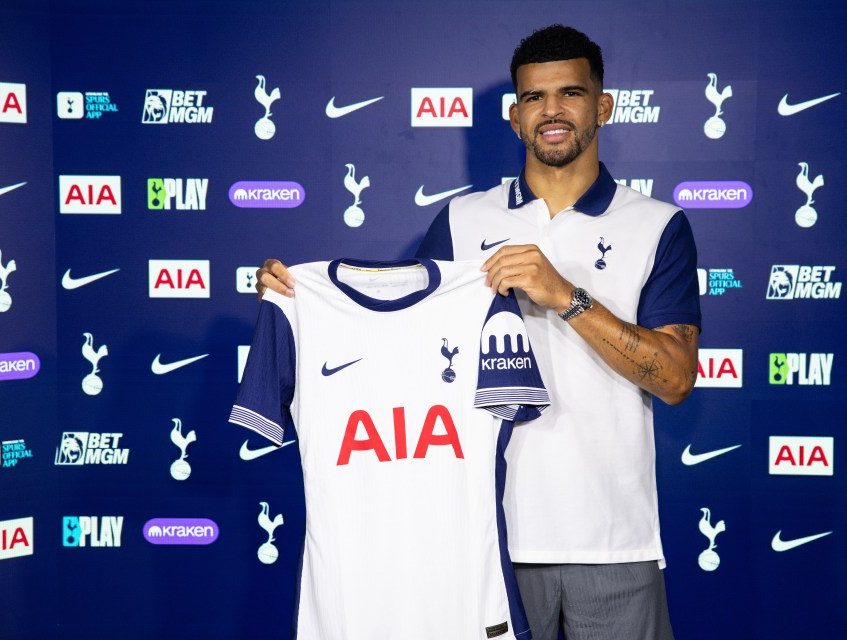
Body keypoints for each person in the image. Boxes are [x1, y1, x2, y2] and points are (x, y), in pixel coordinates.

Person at [258, 24, 700, 640]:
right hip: (480, 541)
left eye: (570, 94)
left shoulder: (656, 225)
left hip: (612, 539)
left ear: (602, 107)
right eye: (534, 98)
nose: (552, 111)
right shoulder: (463, 220)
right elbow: (397, 334)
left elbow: (676, 377)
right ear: (515, 117)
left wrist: (565, 295)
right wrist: (298, 299)